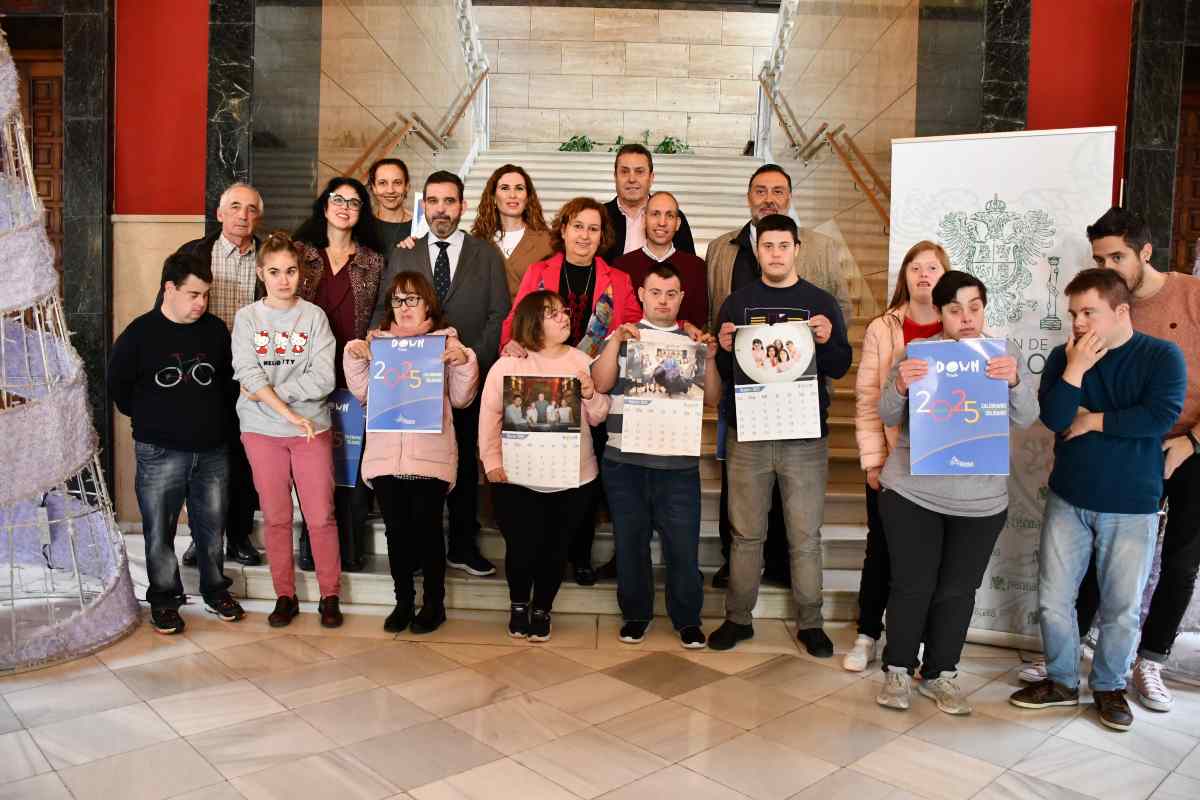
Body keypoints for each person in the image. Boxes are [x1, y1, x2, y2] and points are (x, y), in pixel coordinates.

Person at [1020, 208, 1200, 710]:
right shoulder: (1065, 356)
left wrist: (1095, 420)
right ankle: (1060, 678)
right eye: (1074, 314)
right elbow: (1057, 418)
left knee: (1122, 606)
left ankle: (1111, 685)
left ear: (1120, 313)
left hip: (1134, 499)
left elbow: (1157, 416)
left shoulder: (1162, 356)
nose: (1078, 322)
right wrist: (1076, 369)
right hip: (1070, 494)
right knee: (1055, 598)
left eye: (1088, 313)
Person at [873, 271, 1037, 715]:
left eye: (974, 307)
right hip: (912, 492)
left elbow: (1027, 418)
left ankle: (941, 673)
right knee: (912, 585)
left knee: (958, 590)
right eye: (954, 309)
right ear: (940, 313)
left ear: (984, 308)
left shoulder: (1003, 355)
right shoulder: (917, 353)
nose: (966, 318)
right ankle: (898, 670)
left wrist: (1016, 382)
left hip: (981, 500)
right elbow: (886, 411)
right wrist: (902, 384)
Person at [710, 214, 853, 654]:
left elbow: (840, 365)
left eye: (783, 246)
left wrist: (828, 341)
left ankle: (811, 622)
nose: (775, 253)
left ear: (796, 249)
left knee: (805, 534)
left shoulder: (821, 302)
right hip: (749, 433)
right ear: (758, 252)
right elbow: (725, 372)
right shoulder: (737, 303)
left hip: (805, 435)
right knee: (746, 533)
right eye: (767, 246)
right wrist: (723, 347)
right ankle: (738, 618)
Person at [371, 170, 511, 578]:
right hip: (413, 384)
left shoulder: (485, 254)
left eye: (449, 201)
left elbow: (498, 313)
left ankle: (463, 546)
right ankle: (416, 550)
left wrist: (469, 357)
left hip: (465, 381)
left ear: (462, 206)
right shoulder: (405, 253)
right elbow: (386, 307)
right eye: (433, 201)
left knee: (465, 465)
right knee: (418, 473)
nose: (441, 209)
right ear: (424, 206)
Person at [501, 197, 641, 585]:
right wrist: (509, 344)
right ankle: (543, 554)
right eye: (577, 226)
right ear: (563, 230)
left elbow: (632, 331)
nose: (585, 235)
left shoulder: (619, 280)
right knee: (540, 476)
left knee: (584, 481)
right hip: (541, 385)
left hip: (591, 386)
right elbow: (517, 318)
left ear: (603, 236)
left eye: (593, 228)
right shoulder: (539, 271)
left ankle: (579, 554)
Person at [109, 252, 245, 634]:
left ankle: (216, 590)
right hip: (160, 451)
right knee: (159, 532)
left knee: (212, 526)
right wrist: (156, 419)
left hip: (212, 450)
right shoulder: (139, 334)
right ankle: (165, 600)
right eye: (193, 294)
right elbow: (119, 390)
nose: (201, 302)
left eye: (205, 295)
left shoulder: (216, 331)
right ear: (169, 289)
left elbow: (229, 385)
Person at [592, 263, 721, 648]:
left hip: (677, 464)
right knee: (630, 545)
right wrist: (614, 341)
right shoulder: (625, 336)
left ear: (681, 298)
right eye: (655, 293)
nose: (663, 300)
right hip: (624, 460)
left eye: (671, 294)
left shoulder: (694, 341)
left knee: (683, 545)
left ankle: (687, 619)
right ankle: (635, 614)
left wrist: (711, 359)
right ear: (642, 295)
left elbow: (712, 399)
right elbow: (599, 383)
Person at [345, 271, 478, 634]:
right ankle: (403, 601)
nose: (404, 308)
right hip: (387, 458)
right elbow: (362, 392)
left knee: (429, 533)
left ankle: (434, 604)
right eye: (398, 300)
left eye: (412, 300)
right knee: (395, 534)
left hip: (430, 458)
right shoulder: (379, 343)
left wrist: (463, 360)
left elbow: (464, 398)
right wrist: (355, 356)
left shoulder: (446, 343)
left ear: (427, 306)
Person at [480, 290, 610, 641]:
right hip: (516, 478)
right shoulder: (508, 364)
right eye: (552, 314)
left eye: (564, 311)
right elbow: (489, 418)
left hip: (573, 478)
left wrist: (589, 394)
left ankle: (543, 610)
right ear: (533, 322)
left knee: (555, 552)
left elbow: (599, 417)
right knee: (521, 549)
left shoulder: (582, 361)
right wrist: (491, 462)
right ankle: (519, 605)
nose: (564, 317)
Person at [232, 231, 344, 629]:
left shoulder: (314, 317)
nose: (284, 280)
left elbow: (322, 379)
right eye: (275, 272)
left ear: (300, 274)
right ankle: (285, 595)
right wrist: (279, 407)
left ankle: (330, 595)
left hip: (311, 429)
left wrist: (267, 393)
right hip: (261, 431)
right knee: (277, 517)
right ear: (261, 273)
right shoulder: (247, 318)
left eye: (291, 271)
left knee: (320, 516)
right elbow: (245, 371)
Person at [846, 241, 948, 672]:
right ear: (904, 275)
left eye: (932, 268)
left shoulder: (960, 326)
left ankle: (916, 641)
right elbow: (869, 397)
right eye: (915, 267)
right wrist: (873, 460)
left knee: (932, 560)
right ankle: (867, 633)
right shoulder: (882, 328)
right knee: (881, 551)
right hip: (892, 460)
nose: (923, 275)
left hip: (942, 461)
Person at [292, 177, 384, 573]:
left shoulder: (374, 260)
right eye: (338, 199)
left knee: (351, 464)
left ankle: (349, 549)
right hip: (308, 376)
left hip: (355, 377)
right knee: (313, 466)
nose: (346, 207)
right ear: (325, 206)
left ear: (362, 212)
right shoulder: (299, 254)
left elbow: (380, 314)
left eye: (355, 202)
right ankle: (311, 547)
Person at [178, 182, 264, 569]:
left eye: (250, 209)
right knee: (202, 460)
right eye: (234, 207)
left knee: (245, 459)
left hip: (253, 374)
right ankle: (201, 536)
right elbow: (170, 311)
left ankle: (240, 535)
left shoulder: (272, 257)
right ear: (219, 213)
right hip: (204, 373)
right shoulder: (193, 254)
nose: (242, 216)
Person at [614, 191, 707, 330]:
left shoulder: (696, 267)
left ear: (678, 223)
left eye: (669, 216)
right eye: (655, 214)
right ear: (644, 219)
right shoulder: (621, 266)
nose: (662, 223)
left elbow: (701, 322)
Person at [469, 163, 554, 298]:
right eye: (505, 188)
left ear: (528, 198)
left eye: (519, 188)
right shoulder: (477, 242)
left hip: (531, 317)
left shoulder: (547, 241)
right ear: (493, 198)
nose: (512, 195)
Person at [602, 144, 695, 264]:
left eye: (639, 172)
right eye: (624, 171)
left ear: (651, 178)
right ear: (615, 177)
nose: (631, 179)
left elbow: (689, 266)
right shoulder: (600, 216)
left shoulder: (670, 217)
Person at [368, 158, 413, 255]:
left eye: (397, 183)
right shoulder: (363, 224)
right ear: (373, 188)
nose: (390, 190)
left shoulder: (420, 227)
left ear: (407, 187)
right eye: (382, 183)